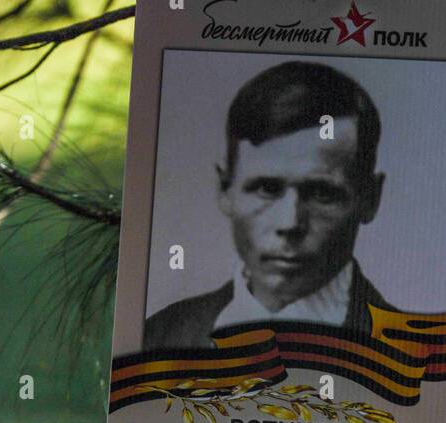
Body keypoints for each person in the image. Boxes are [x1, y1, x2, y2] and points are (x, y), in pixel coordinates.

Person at [144, 61, 396, 349]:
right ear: (225, 189)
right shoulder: (156, 339)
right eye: (266, 189)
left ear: (370, 199)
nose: (290, 223)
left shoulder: (416, 360)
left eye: (322, 194)